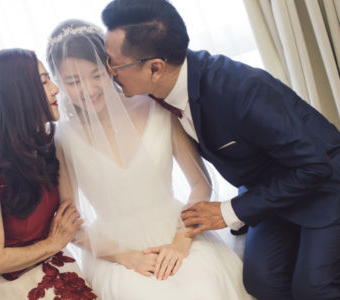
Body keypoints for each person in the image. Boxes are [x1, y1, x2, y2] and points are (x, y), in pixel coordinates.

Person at [101, 0, 340, 299]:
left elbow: (315, 167)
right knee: (261, 283)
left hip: (324, 184)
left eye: (114, 63)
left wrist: (229, 211)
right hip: (267, 190)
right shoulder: (162, 88)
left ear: (155, 68)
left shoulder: (241, 90)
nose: (109, 71)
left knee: (313, 288)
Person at [47, 19, 253, 300]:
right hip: (114, 250)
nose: (88, 89)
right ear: (58, 83)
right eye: (73, 82)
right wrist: (125, 256)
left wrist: (181, 240)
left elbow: (199, 184)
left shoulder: (156, 107)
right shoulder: (63, 138)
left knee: (203, 288)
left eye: (96, 75)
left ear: (111, 66)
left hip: (176, 230)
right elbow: (70, 225)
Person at [0, 49, 97, 300]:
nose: (56, 89)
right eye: (44, 82)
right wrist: (52, 244)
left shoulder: (49, 144)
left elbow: (70, 222)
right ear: (15, 95)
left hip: (47, 264)